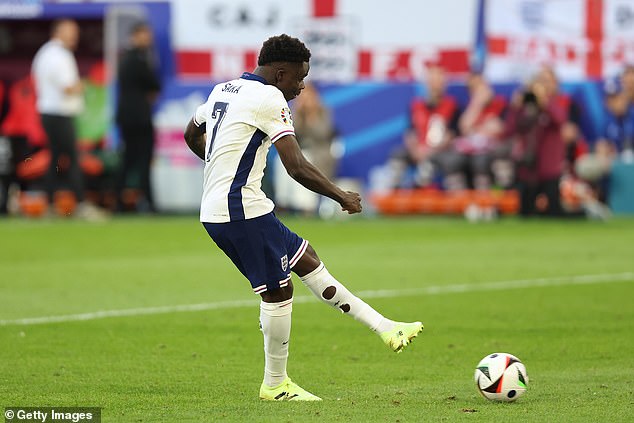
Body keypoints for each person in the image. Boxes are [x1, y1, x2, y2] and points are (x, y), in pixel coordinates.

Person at [183, 34, 422, 401]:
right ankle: (275, 384)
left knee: (307, 261)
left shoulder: (223, 89)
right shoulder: (269, 97)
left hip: (237, 207)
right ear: (280, 73)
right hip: (238, 210)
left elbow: (191, 132)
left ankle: (386, 328)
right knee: (279, 291)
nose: (302, 85)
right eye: (299, 77)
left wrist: (218, 167)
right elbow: (295, 166)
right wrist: (341, 195)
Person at [32, 19, 105, 219]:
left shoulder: (45, 52)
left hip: (50, 112)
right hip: (59, 114)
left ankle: (48, 203)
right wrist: (87, 84)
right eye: (70, 32)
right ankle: (80, 204)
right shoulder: (58, 55)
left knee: (56, 158)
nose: (75, 37)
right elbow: (69, 87)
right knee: (72, 158)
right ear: (58, 32)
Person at [388, 64, 462, 189]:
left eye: (438, 81)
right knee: (398, 155)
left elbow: (453, 134)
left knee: (448, 161)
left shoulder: (453, 105)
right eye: (432, 80)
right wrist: (415, 150)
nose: (435, 85)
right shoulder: (415, 105)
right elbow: (410, 132)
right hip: (417, 149)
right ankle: (395, 192)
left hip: (440, 151)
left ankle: (430, 191)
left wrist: (431, 151)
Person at [115, 22, 162, 213]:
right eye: (144, 34)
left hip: (128, 117)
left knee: (128, 160)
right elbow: (154, 84)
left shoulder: (125, 58)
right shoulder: (138, 59)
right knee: (142, 160)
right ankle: (147, 203)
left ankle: (119, 203)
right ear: (135, 36)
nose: (148, 38)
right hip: (139, 118)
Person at [274, 81, 337, 214]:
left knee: (304, 160)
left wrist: (311, 116)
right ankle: (283, 202)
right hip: (299, 151)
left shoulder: (323, 111)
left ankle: (306, 206)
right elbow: (292, 133)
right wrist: (299, 113)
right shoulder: (294, 112)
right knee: (281, 161)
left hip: (319, 153)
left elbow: (322, 133)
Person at [453, 72, 506, 191]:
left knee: (481, 161)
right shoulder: (470, 107)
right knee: (454, 160)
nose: (479, 91)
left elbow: (499, 128)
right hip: (471, 152)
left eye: (480, 86)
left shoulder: (500, 103)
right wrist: (477, 104)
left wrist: (476, 129)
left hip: (494, 150)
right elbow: (464, 128)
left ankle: (488, 200)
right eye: (474, 88)